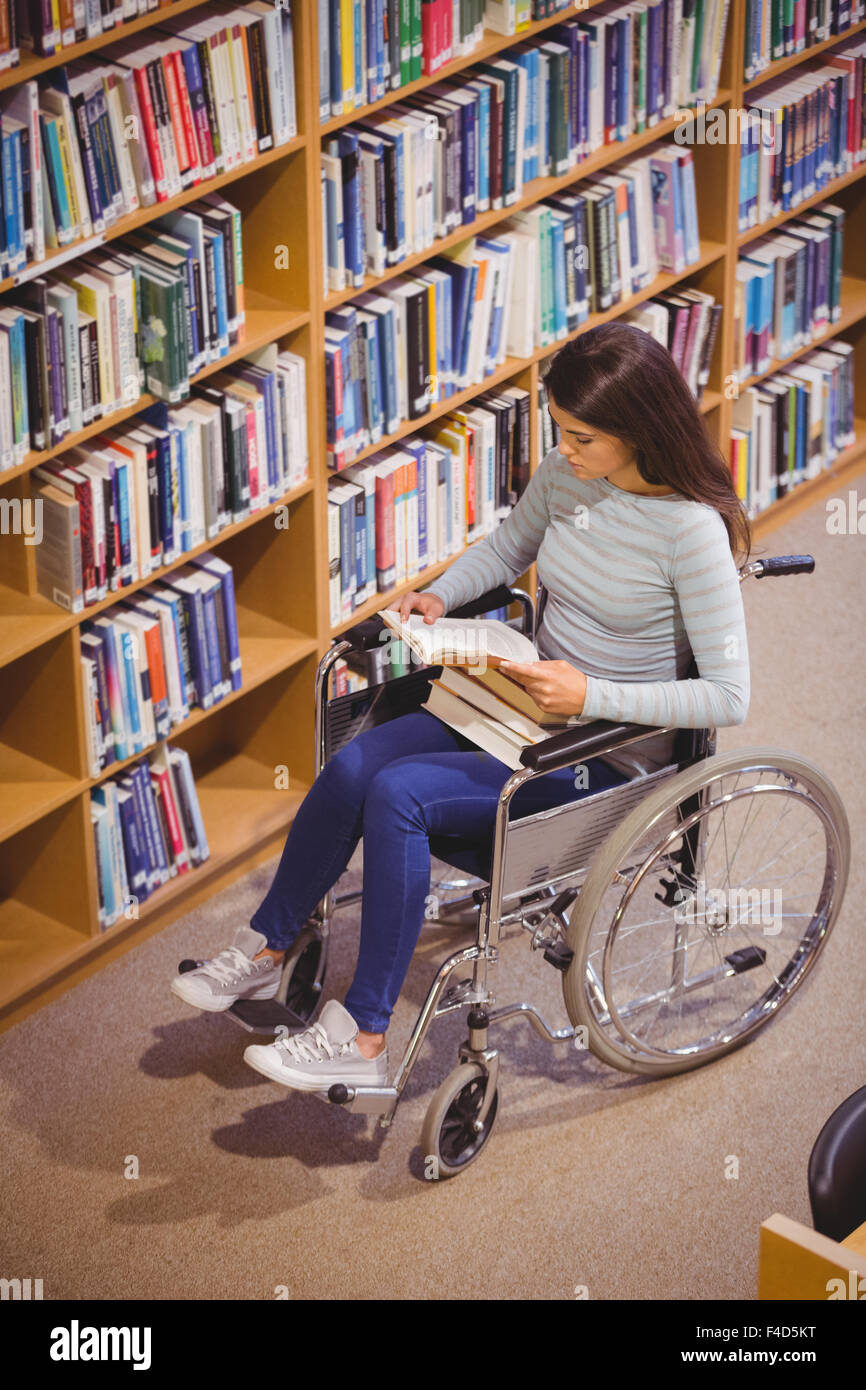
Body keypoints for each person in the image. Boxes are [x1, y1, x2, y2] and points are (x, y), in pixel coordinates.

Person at [170, 322, 751, 1093]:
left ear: (641, 428)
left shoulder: (692, 533)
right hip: (517, 706)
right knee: (354, 764)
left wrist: (590, 694)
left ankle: (365, 1037)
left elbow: (729, 696)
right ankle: (265, 950)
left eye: (582, 436)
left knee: (399, 794)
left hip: (596, 759)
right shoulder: (567, 475)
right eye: (560, 430)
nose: (565, 449)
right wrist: (445, 594)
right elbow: (510, 548)